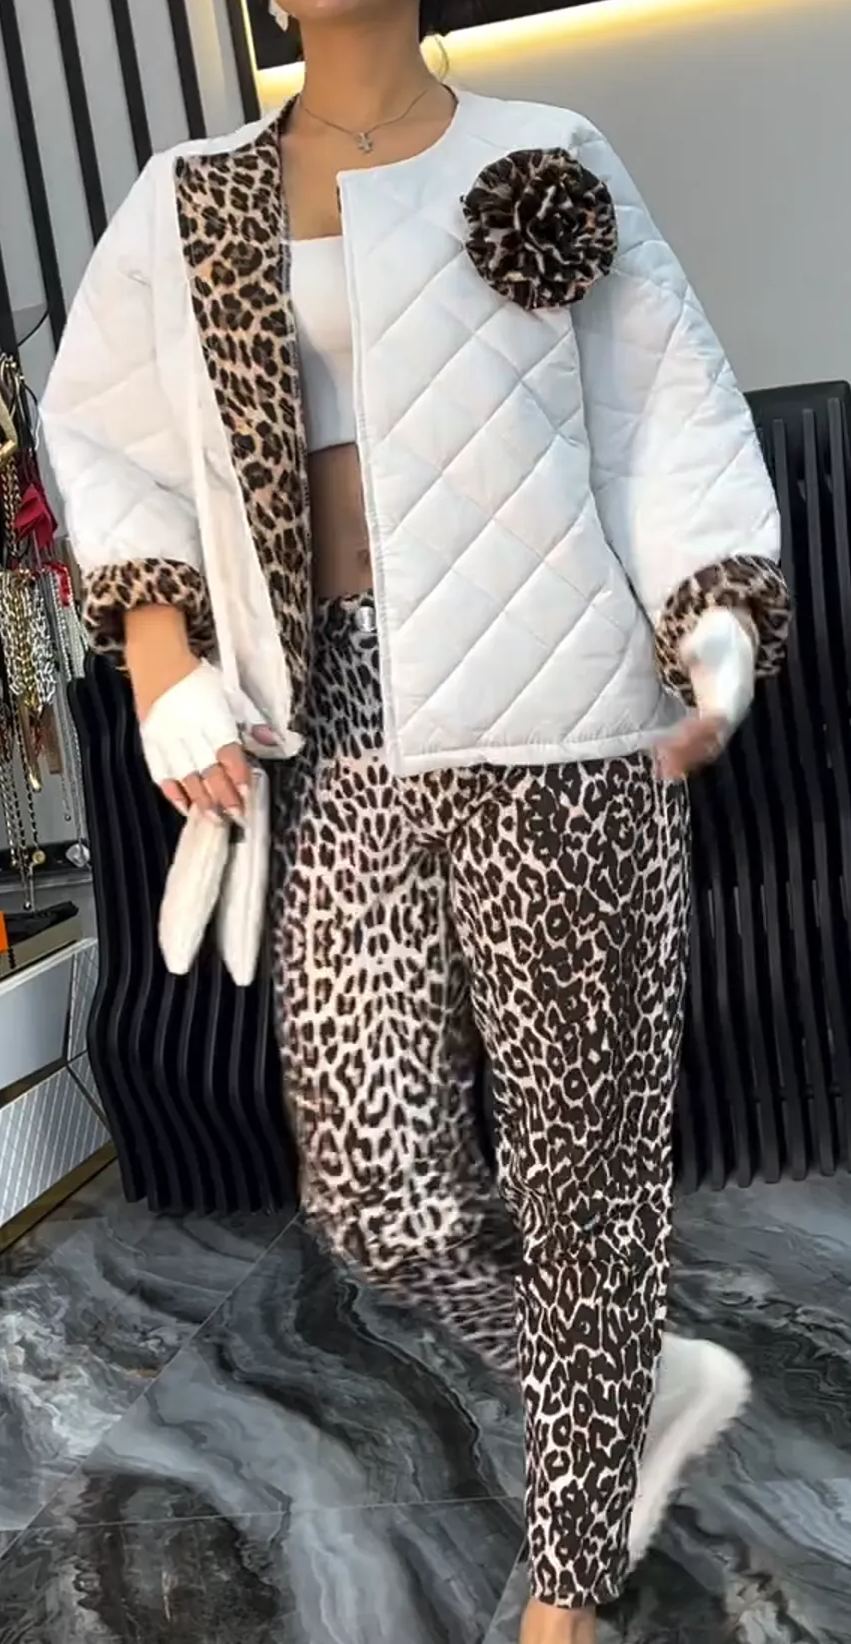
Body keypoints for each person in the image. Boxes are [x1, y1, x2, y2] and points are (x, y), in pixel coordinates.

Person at [42, 2, 790, 1638]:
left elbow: (668, 421)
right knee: (379, 1195)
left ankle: (572, 1573)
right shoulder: (194, 196)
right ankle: (630, 1378)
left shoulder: (550, 157)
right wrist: (163, 657)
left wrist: (717, 619)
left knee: (586, 1171)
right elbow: (109, 438)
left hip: (568, 718)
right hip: (336, 721)